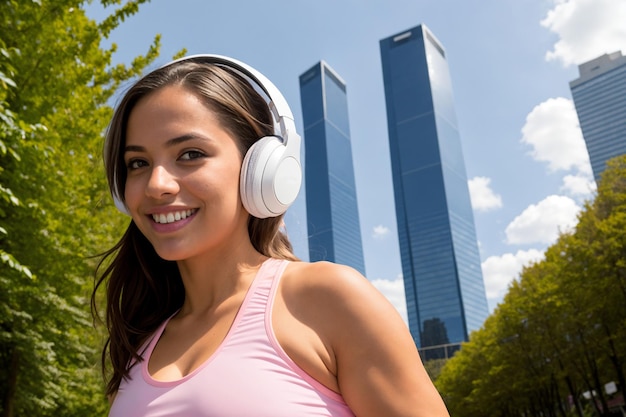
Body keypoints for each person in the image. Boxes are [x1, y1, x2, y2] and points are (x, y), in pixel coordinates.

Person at [92, 54, 450, 417]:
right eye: (137, 163)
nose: (157, 185)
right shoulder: (138, 344)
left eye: (190, 154)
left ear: (260, 168)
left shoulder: (328, 299)